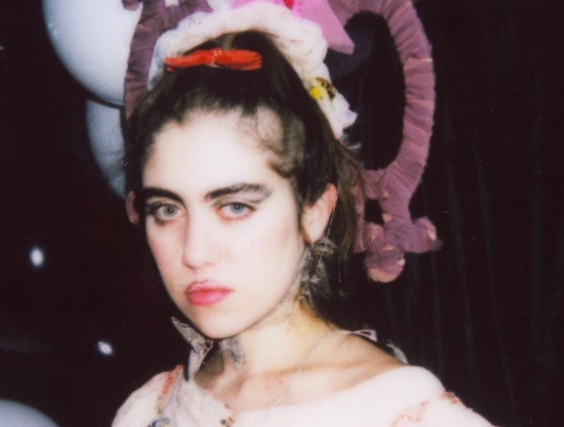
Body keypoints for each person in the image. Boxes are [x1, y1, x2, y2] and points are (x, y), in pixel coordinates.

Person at [114, 2, 493, 426]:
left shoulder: (401, 413)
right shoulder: (150, 408)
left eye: (236, 206)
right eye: (167, 209)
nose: (195, 253)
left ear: (314, 211)